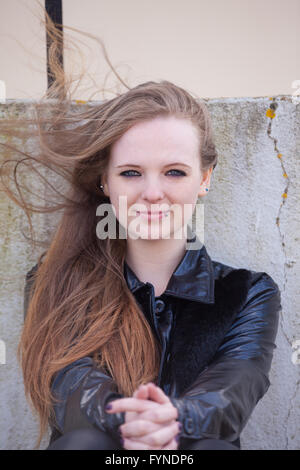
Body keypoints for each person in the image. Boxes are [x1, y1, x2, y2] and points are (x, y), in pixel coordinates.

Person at [2, 8, 281, 451]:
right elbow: (70, 390)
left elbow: (235, 388)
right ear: (104, 181)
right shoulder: (55, 277)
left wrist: (175, 420)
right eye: (131, 172)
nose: (153, 193)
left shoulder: (249, 293)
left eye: (174, 172)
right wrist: (130, 420)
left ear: (205, 178)